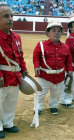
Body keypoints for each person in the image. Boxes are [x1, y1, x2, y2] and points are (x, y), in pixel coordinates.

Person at [33, 19, 72, 115]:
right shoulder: (41, 45)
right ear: (48, 33)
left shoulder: (66, 47)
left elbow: (69, 60)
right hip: (44, 76)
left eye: (59, 31)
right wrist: (36, 66)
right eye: (54, 30)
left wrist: (70, 70)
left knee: (56, 94)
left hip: (59, 76)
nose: (57, 33)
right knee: (40, 94)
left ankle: (53, 106)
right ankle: (38, 108)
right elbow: (36, 56)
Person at [0, 4, 28, 139]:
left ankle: (8, 123)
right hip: (2, 76)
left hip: (15, 75)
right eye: (6, 16)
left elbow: (20, 55)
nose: (10, 19)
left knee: (11, 100)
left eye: (11, 16)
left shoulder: (17, 37)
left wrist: (24, 69)